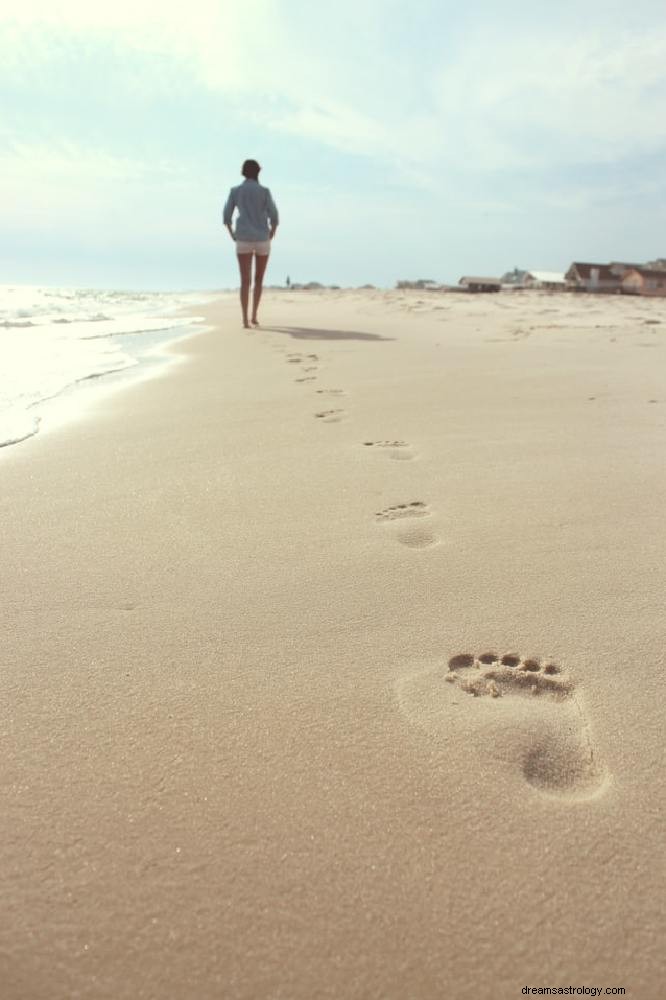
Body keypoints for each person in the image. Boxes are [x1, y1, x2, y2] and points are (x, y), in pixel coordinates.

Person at [223, 159, 279, 328]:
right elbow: (274, 216)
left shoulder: (235, 191)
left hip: (243, 238)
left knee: (245, 281)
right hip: (262, 238)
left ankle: (245, 320)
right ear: (258, 172)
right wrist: (271, 233)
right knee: (259, 279)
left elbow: (227, 216)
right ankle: (254, 316)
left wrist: (232, 234)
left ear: (243, 172)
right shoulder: (264, 191)